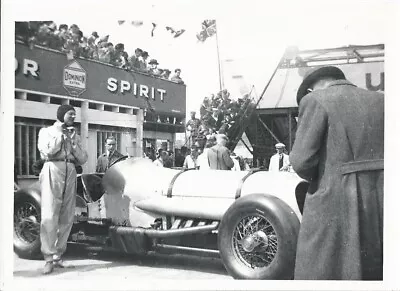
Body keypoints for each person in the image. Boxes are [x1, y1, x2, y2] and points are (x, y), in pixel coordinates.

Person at [289, 66, 384, 280]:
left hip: (336, 200)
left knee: (325, 267)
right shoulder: (382, 100)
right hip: (383, 198)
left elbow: (301, 162)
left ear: (312, 89)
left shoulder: (315, 101)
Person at [37, 104, 88, 274]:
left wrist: (73, 142)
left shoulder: (74, 134)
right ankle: (48, 258)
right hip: (53, 168)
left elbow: (82, 159)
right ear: (61, 115)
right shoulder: (47, 131)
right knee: (50, 213)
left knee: (67, 215)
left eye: (74, 114)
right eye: (70, 114)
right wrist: (60, 135)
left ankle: (58, 256)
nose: (73, 117)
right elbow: (49, 151)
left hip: (70, 170)